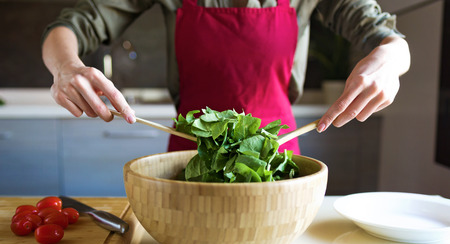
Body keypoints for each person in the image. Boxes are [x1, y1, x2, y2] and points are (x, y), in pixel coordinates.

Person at [41, 0, 410, 154]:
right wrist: (65, 67)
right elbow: (72, 25)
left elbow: (386, 37)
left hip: (273, 157)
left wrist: (390, 58)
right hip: (191, 155)